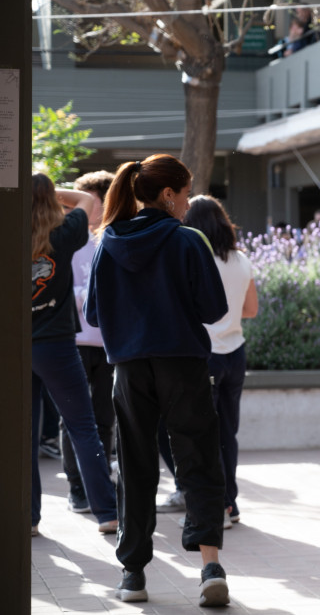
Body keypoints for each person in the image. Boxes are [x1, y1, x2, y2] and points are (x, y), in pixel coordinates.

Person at [85, 154, 231, 607]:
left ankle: (133, 575)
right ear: (168, 194)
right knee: (199, 458)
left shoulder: (108, 242)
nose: (188, 204)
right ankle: (210, 567)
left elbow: (92, 314)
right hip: (183, 364)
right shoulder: (189, 241)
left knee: (134, 464)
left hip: (128, 368)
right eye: (185, 194)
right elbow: (214, 310)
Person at [30, 174, 119, 537]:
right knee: (84, 428)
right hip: (57, 345)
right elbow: (88, 200)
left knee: (24, 438)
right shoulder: (64, 233)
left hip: (19, 344)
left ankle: (29, 519)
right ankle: (107, 513)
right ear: (53, 201)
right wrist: (48, 190)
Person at [185, 195, 259, 528]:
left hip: (206, 355)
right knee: (228, 432)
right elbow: (251, 310)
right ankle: (232, 502)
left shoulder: (195, 259)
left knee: (205, 435)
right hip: (236, 352)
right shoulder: (242, 260)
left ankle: (221, 506)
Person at [62, 170, 117, 516]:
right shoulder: (68, 239)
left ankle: (99, 481)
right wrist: (88, 295)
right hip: (75, 341)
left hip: (109, 344)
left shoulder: (111, 240)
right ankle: (76, 487)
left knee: (104, 418)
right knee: (74, 418)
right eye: (98, 201)